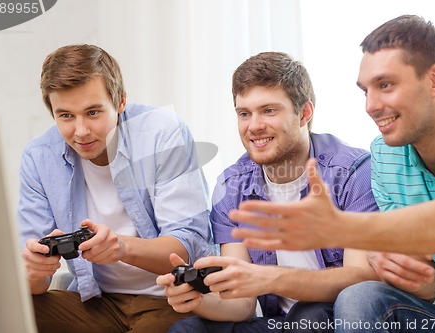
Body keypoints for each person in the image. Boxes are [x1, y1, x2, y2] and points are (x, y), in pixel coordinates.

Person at [229, 15, 435, 331]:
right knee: (361, 297)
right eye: (365, 91)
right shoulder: (387, 155)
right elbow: (429, 287)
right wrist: (415, 277)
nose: (371, 106)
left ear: (434, 80)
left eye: (385, 85)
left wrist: (345, 226)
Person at [157, 51, 379, 333]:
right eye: (244, 113)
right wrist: (196, 299)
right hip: (279, 324)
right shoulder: (231, 187)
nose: (254, 126)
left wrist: (268, 278)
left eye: (269, 110)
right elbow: (242, 304)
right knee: (187, 329)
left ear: (304, 113)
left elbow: (360, 280)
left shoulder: (351, 172)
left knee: (309, 314)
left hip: (337, 318)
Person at [19, 44, 213, 333]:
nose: (81, 131)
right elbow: (34, 285)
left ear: (120, 102)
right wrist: (35, 271)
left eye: (93, 112)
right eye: (66, 116)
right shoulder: (39, 156)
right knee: (4, 315)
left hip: (169, 300)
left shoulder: (163, 132)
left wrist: (121, 247)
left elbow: (188, 245)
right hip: (97, 303)